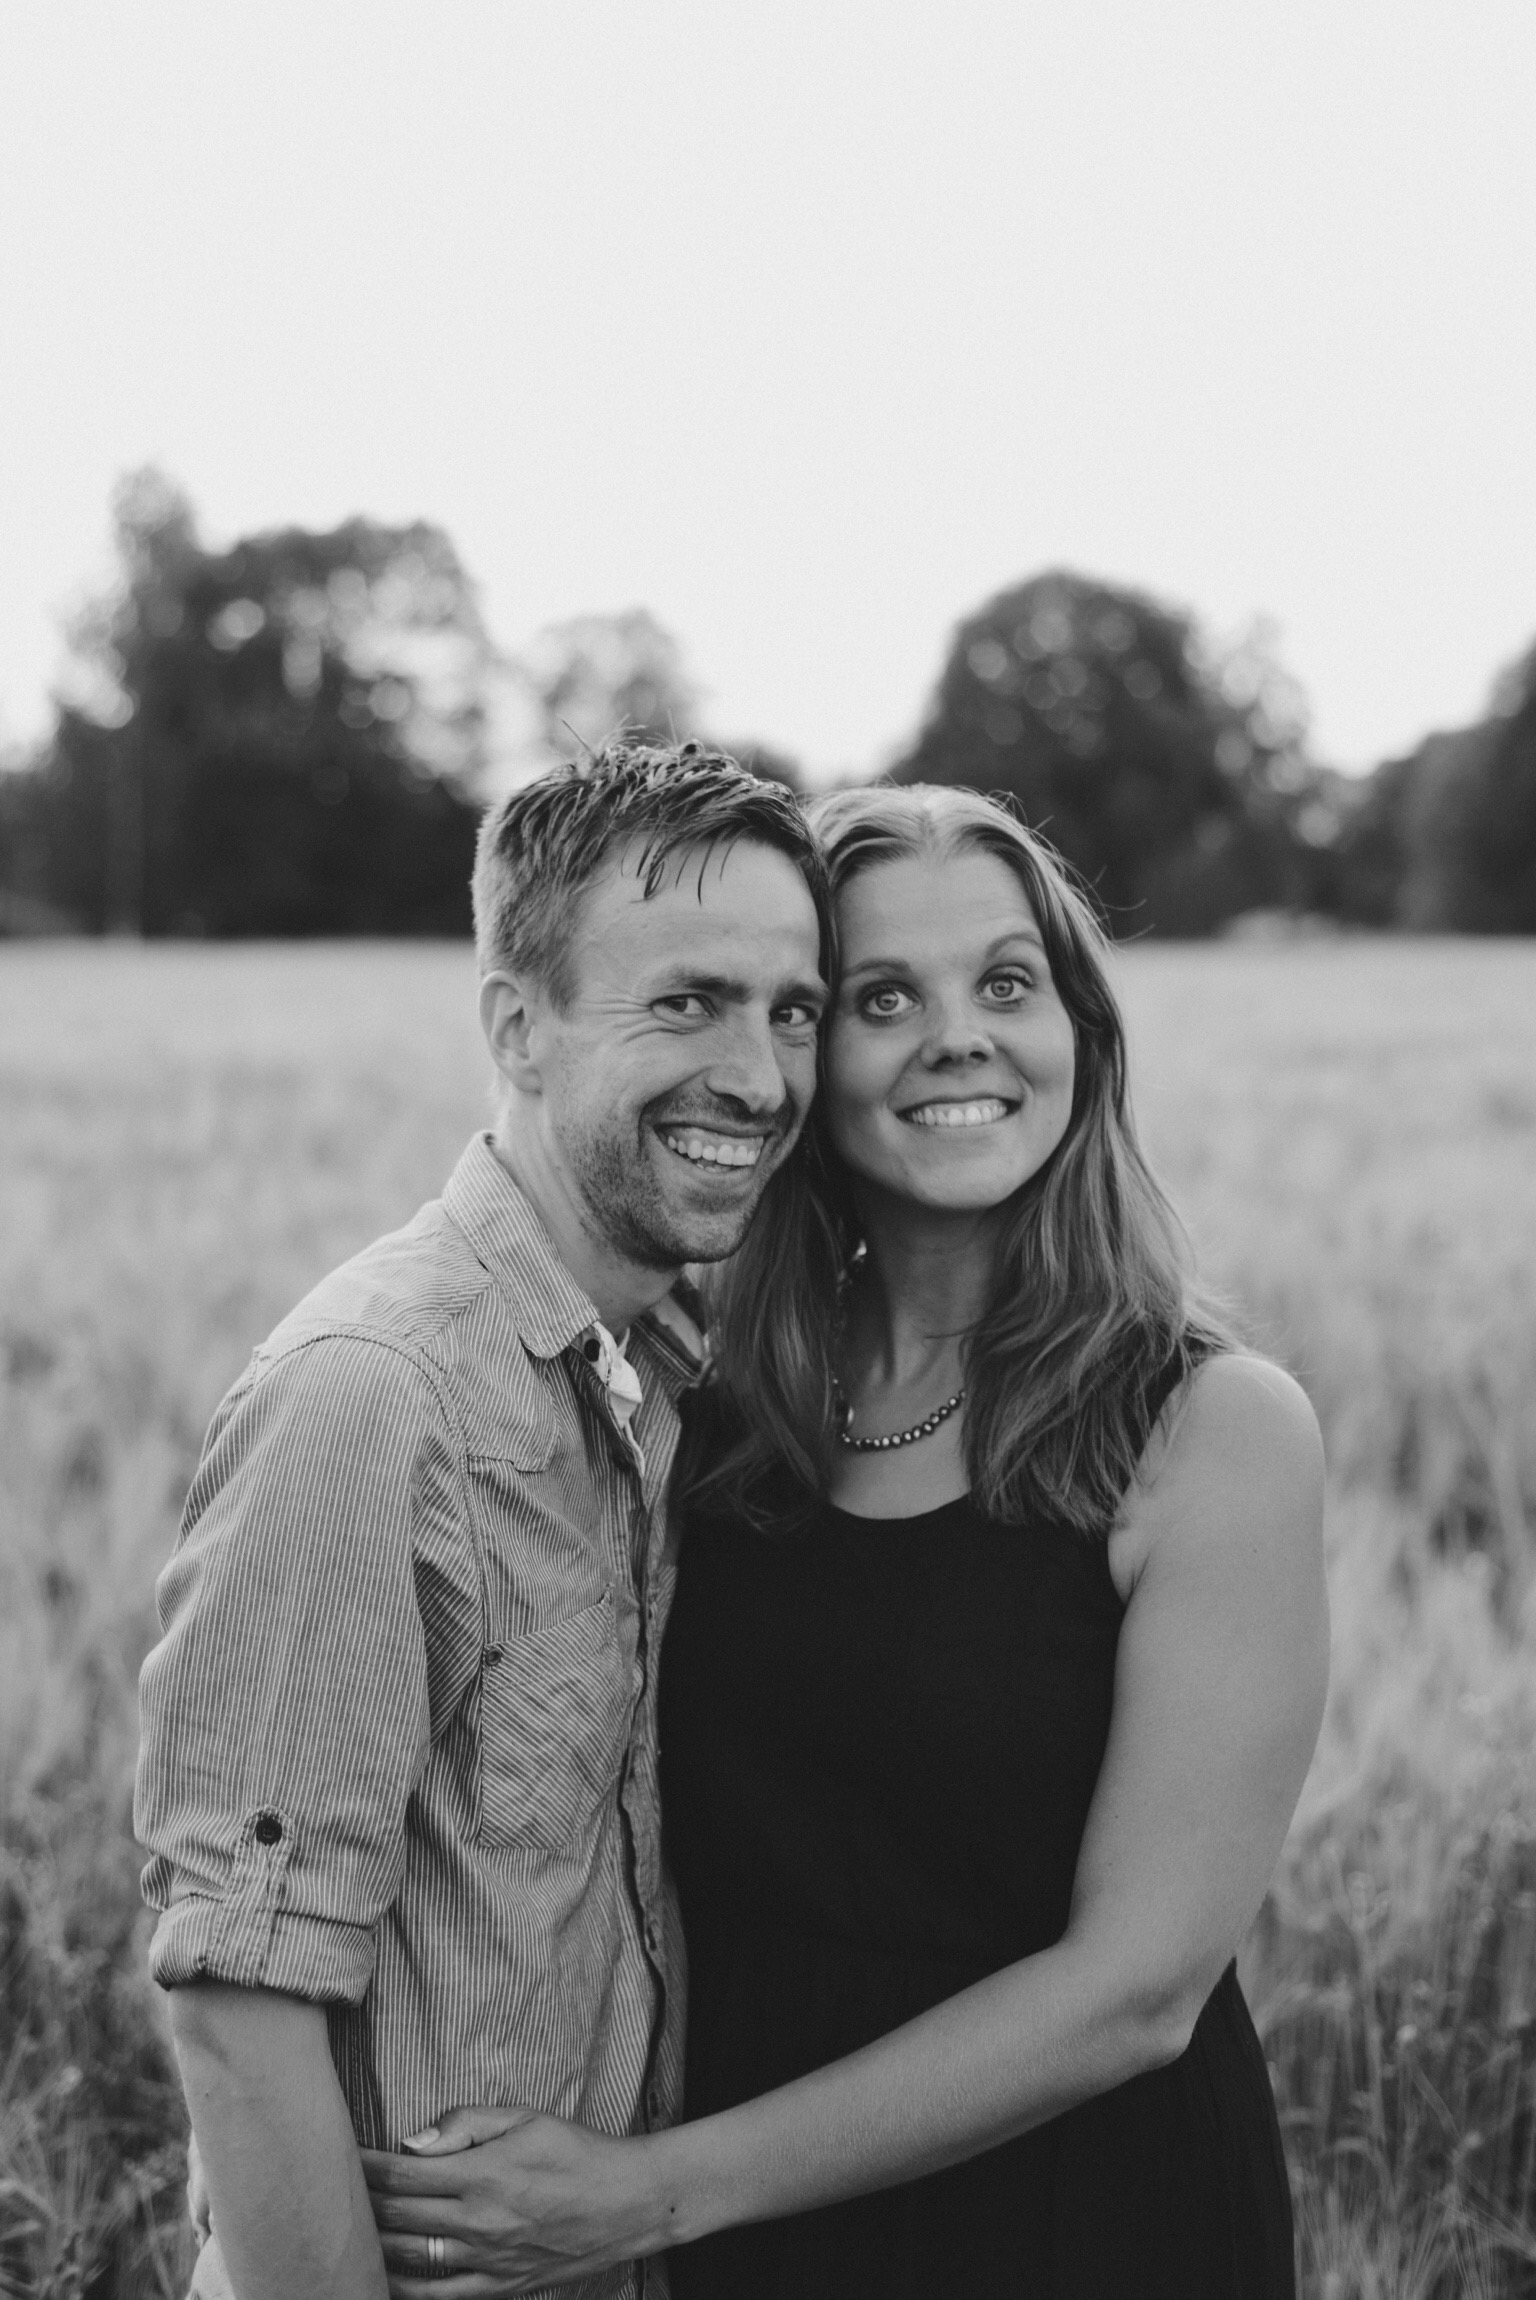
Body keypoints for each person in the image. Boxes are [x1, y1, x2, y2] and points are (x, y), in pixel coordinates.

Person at [363, 784, 1328, 2300]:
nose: (959, 1038)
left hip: (1082, 2220)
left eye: (1007, 983)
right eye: (883, 999)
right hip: (754, 2228)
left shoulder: (1211, 1430)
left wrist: (656, 2195)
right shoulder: (706, 1394)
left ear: (1080, 1032)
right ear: (801, 1059)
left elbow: (1137, 1992)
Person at [134, 741, 831, 2300]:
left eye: (792, 1010)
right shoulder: (375, 1397)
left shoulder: (670, 1378)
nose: (763, 1076)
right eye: (688, 1002)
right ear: (517, 1028)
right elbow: (240, 2008)